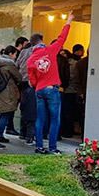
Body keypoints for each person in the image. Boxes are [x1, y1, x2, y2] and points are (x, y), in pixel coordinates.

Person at [28, 13, 74, 155]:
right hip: (52, 89)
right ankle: (52, 147)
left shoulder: (31, 59)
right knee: (55, 119)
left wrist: (38, 86)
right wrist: (68, 22)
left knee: (40, 119)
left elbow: (32, 80)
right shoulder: (50, 50)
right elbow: (62, 38)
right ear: (42, 41)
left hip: (39, 90)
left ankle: (39, 146)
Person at [16, 34, 42, 144]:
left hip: (22, 82)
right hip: (32, 82)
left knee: (25, 107)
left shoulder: (23, 52)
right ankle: (30, 135)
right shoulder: (37, 52)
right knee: (32, 109)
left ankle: (23, 132)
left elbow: (17, 64)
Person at [0, 46, 21, 143]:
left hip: (0, 91)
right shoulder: (10, 65)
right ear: (10, 54)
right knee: (5, 115)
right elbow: (19, 78)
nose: (15, 57)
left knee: (1, 114)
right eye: (15, 54)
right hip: (9, 92)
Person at [61, 44, 84, 137]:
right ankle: (68, 131)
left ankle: (67, 131)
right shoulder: (75, 63)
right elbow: (74, 77)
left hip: (68, 89)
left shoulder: (69, 62)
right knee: (71, 112)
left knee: (67, 112)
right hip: (72, 90)